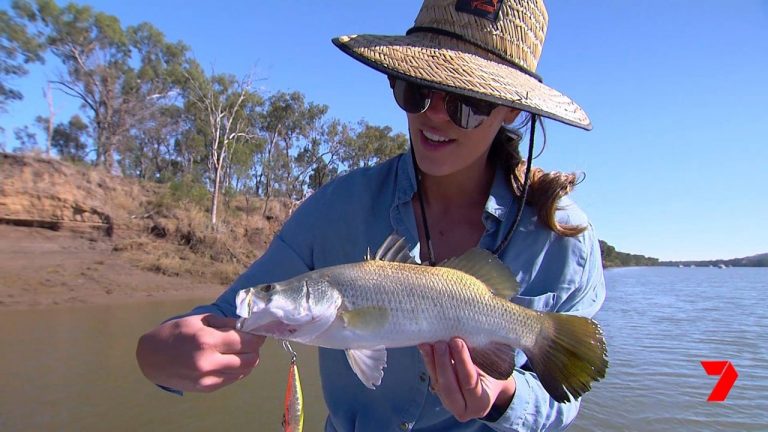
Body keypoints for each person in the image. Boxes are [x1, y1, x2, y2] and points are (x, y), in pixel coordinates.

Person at [136, 0, 606, 430]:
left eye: (468, 102)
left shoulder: (564, 238)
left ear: (509, 111)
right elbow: (223, 318)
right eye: (418, 89)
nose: (435, 115)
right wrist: (158, 354)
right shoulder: (335, 210)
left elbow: (562, 397)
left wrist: (502, 397)